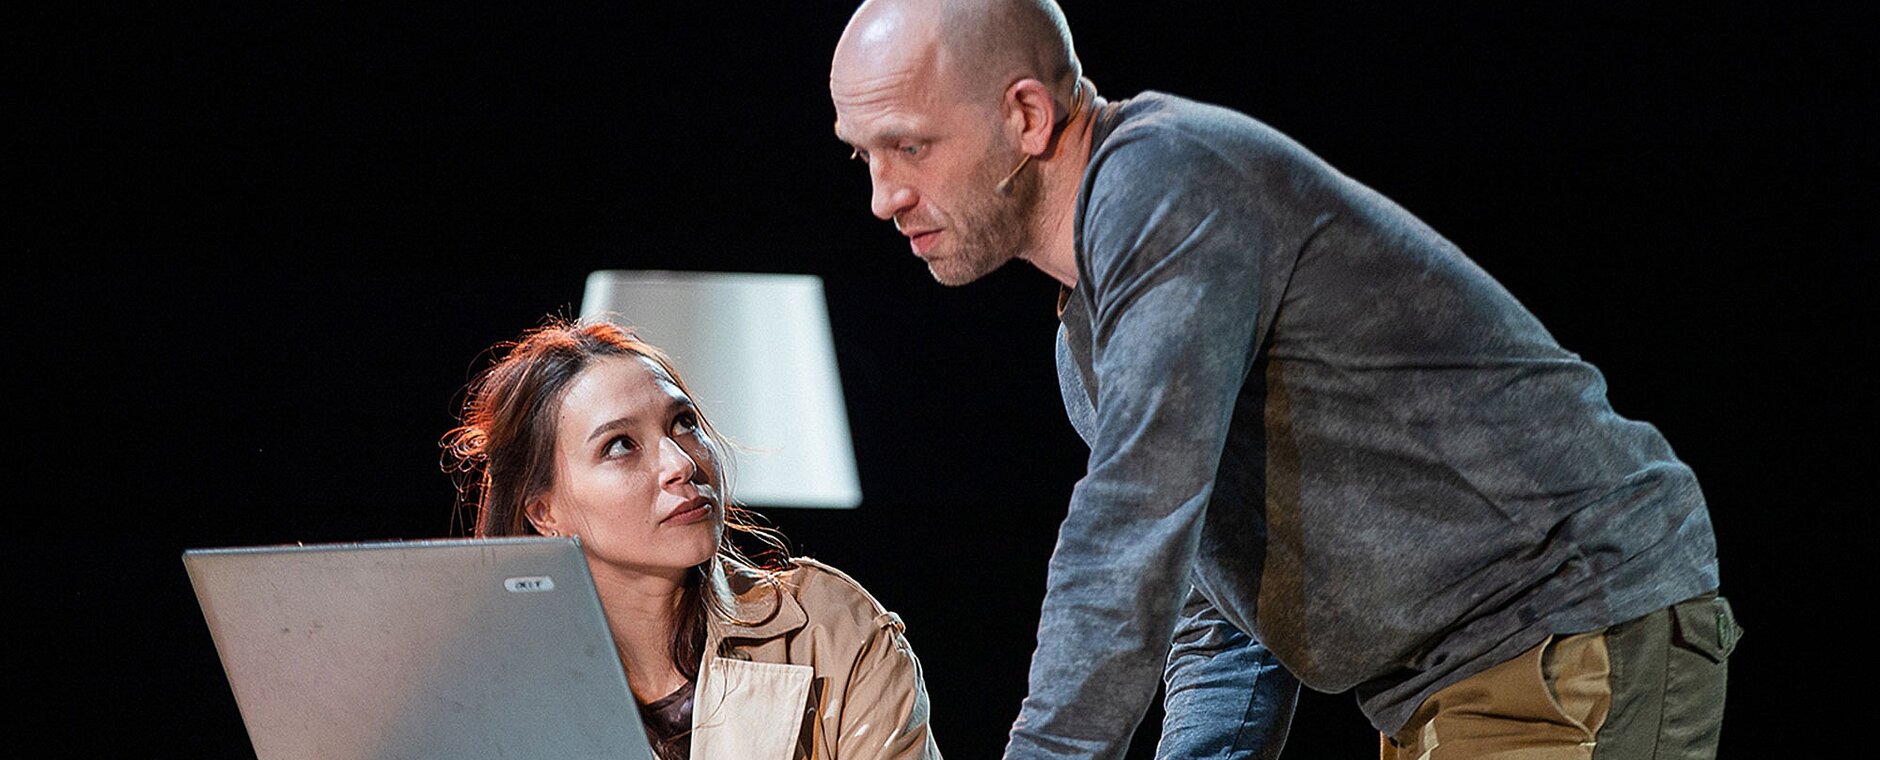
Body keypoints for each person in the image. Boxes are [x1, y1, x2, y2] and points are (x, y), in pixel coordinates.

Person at [828, 1, 1739, 759]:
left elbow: (1124, 540)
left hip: (1568, 622)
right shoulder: (1089, 341)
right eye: (863, 155)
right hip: (1451, 682)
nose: (883, 195)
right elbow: (1224, 601)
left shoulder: (1166, 184)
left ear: (1027, 115)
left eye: (910, 146)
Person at [440, 316, 943, 760]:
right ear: (544, 512)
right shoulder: (492, 694)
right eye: (620, 445)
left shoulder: (830, 629)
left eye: (683, 423)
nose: (681, 463)